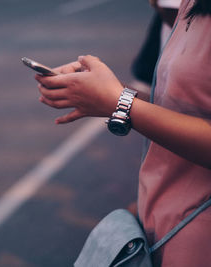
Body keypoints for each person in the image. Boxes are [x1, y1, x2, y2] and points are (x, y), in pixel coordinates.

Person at [34, 0, 211, 266]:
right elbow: (182, 106)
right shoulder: (192, 5)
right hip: (160, 221)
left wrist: (119, 103)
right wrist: (105, 92)